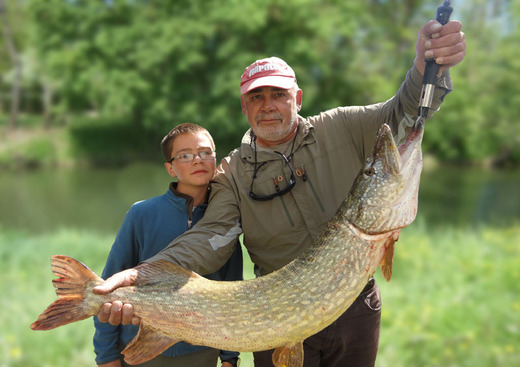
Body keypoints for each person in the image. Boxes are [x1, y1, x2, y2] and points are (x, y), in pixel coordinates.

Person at [94, 20, 465, 367]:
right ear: (244, 106)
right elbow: (212, 236)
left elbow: (408, 110)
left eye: (278, 94)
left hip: (353, 305)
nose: (267, 105)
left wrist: (426, 67)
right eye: (256, 97)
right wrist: (144, 276)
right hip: (273, 319)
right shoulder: (232, 172)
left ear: (298, 97)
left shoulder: (343, 126)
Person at [93, 123, 243, 367]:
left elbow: (230, 289)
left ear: (216, 159)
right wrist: (107, 356)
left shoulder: (226, 218)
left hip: (201, 351)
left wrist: (229, 357)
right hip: (138, 350)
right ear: (170, 168)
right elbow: (109, 285)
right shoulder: (141, 214)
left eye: (205, 153)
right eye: (185, 155)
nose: (197, 160)